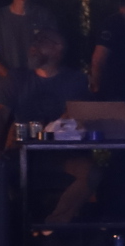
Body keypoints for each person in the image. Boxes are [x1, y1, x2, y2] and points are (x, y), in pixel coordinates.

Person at [5, 31, 97, 226]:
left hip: (61, 155)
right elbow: (0, 114)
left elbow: (77, 116)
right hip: (23, 153)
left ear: (58, 48)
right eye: (35, 41)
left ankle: (53, 225)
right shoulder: (17, 77)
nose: (34, 46)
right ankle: (10, 229)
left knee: (92, 173)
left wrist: (55, 127)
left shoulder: (75, 79)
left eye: (42, 41)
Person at [0, 0, 61, 152]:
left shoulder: (44, 16)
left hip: (39, 86)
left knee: (39, 138)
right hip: (8, 85)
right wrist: (13, 80)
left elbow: (54, 51)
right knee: (1, 129)